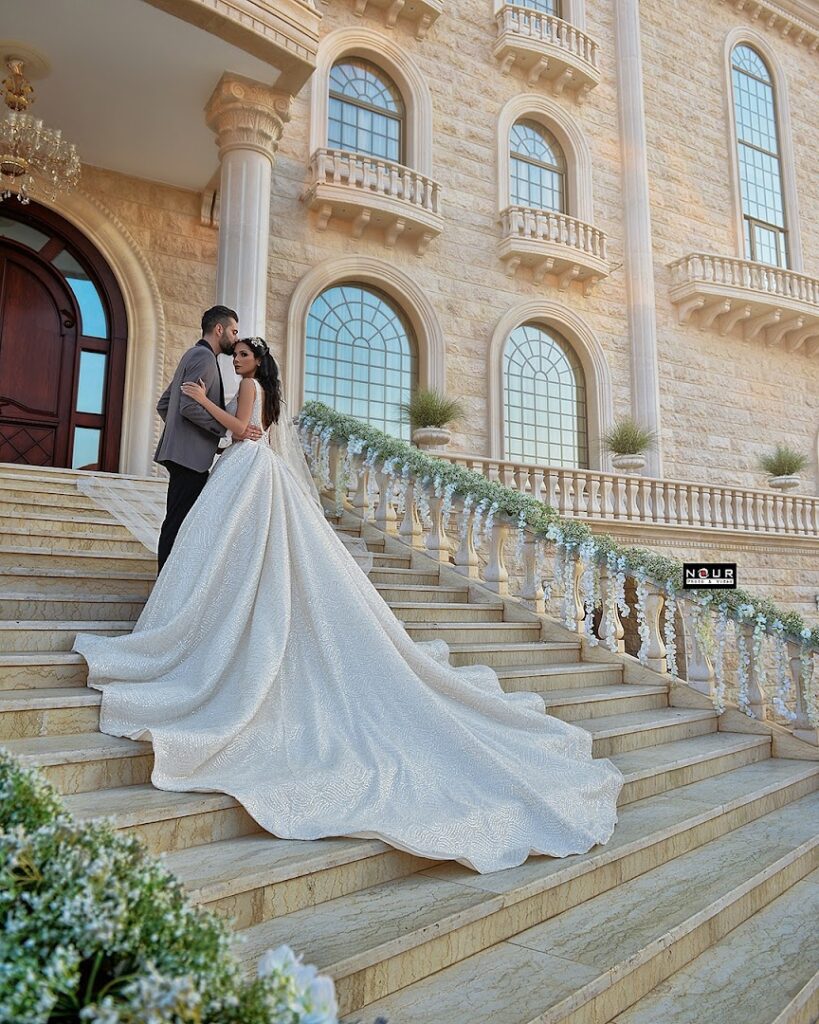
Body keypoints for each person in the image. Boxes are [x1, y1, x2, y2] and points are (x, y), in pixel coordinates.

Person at [73, 338, 623, 874]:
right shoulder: (260, 386)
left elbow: (244, 431)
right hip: (252, 471)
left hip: (247, 467)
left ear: (256, 361)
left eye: (242, 354)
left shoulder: (247, 386)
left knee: (231, 551)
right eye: (235, 352)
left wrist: (199, 401)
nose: (235, 358)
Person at [154, 305, 261, 571]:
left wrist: (185, 436)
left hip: (183, 454)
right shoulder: (204, 358)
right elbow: (188, 407)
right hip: (190, 460)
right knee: (178, 524)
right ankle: (164, 589)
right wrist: (224, 431)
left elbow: (164, 404)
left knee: (178, 521)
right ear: (219, 329)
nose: (236, 338)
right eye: (234, 331)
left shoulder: (192, 354)